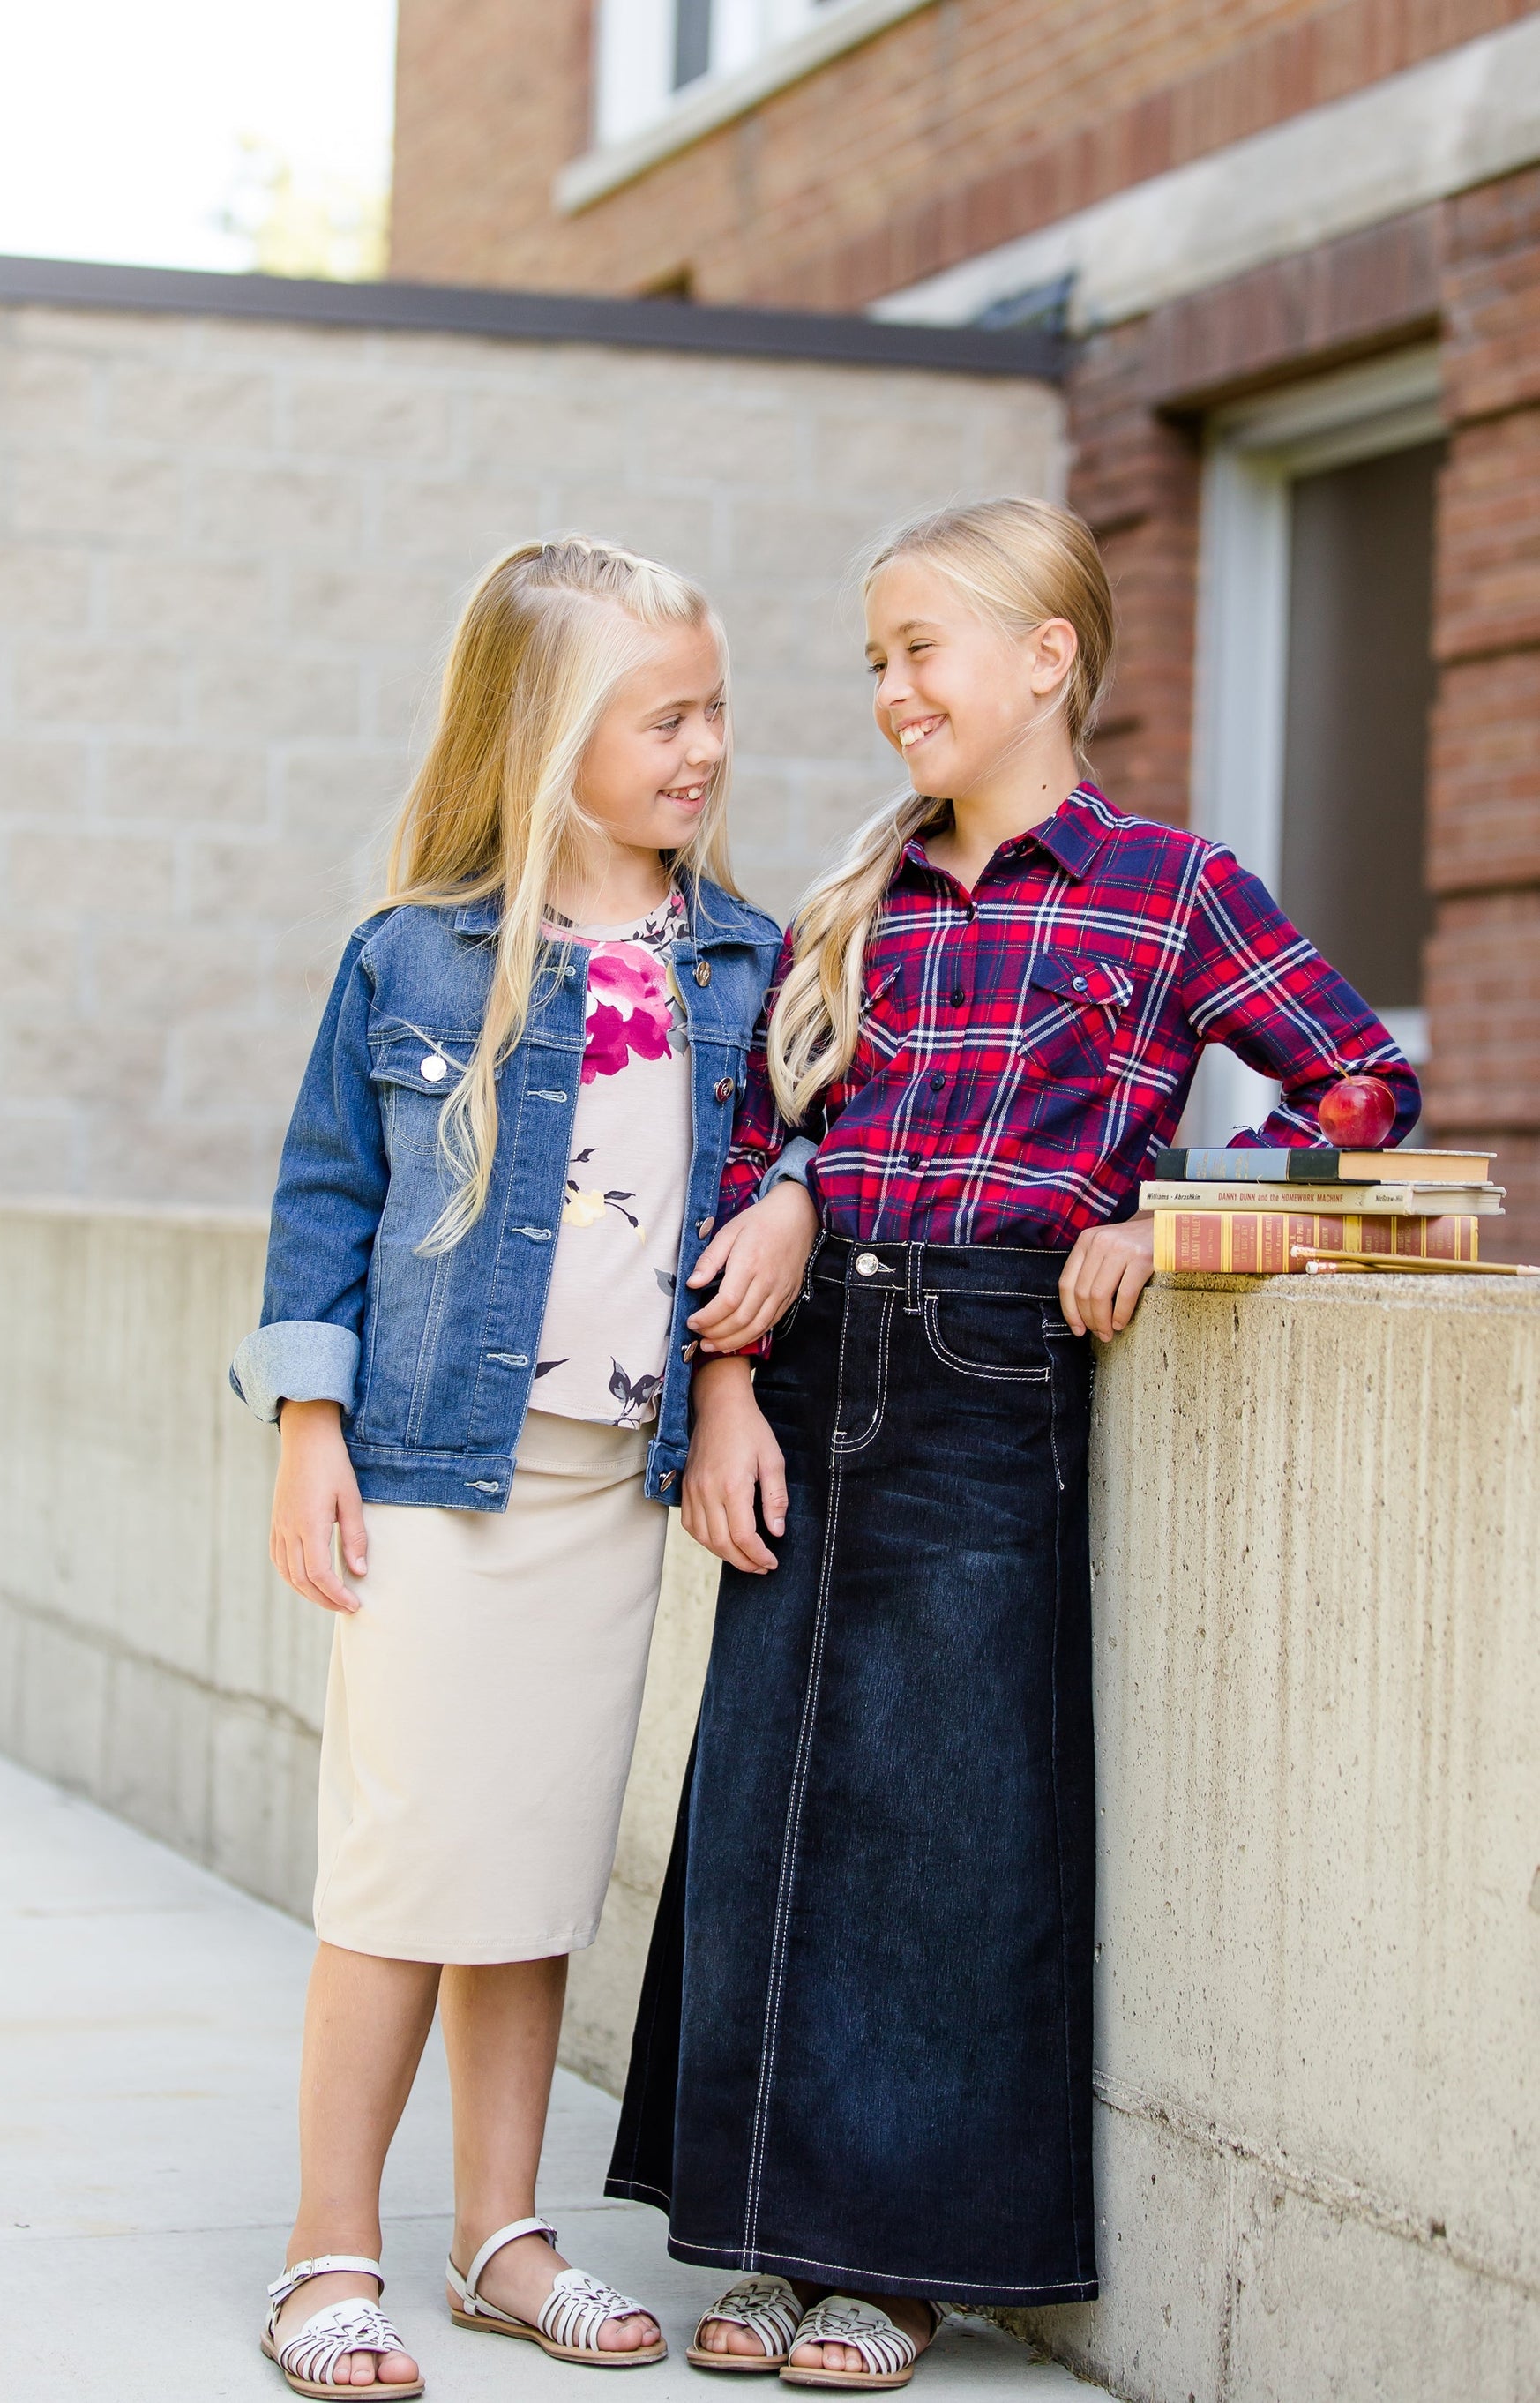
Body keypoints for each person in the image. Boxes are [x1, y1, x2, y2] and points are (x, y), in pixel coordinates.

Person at [607, 498, 1421, 2388]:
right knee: (772, 1801)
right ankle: (752, 2231)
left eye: (924, 649)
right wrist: (724, 1389)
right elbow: (750, 1156)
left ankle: (890, 2264)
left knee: (946, 1824)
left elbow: (1359, 1081)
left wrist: (1180, 1220)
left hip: (989, 1370)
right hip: (808, 1364)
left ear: (1046, 657)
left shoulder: (1169, 885)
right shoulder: (853, 904)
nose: (892, 690)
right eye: (874, 659)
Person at [230, 536, 804, 2397]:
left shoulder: (740, 956)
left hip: (598, 1488)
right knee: (403, 1868)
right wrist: (307, 1429)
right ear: (548, 730)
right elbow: (329, 1195)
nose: (705, 746)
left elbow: (762, 1197)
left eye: (714, 706)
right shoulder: (414, 954)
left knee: (534, 1873)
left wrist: (734, 1370)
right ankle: (329, 2252)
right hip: (425, 1471)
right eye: (665, 714)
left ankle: (499, 2233)